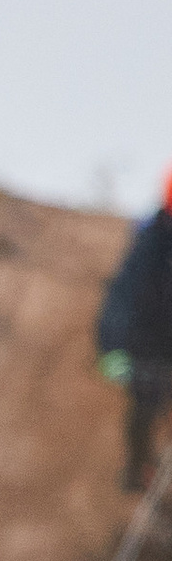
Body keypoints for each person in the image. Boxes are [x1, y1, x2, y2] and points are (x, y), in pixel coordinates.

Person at [96, 170, 172, 494]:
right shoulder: (148, 242)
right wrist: (112, 349)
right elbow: (122, 296)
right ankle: (139, 467)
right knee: (145, 404)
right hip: (148, 348)